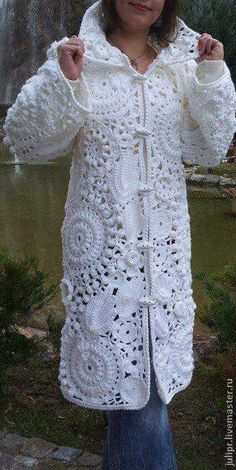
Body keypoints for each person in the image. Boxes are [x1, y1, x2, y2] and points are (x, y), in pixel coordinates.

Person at [3, 0, 236, 468]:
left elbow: (210, 149)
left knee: (139, 405)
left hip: (165, 269)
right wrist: (63, 80)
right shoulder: (76, 55)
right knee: (139, 407)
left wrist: (212, 77)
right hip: (106, 268)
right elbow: (25, 141)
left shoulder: (182, 63)